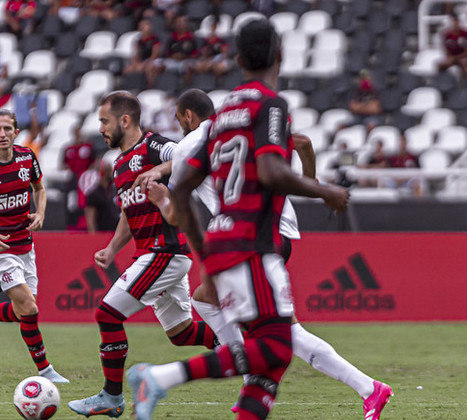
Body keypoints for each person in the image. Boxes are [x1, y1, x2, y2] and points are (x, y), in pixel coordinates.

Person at [125, 19, 355, 420]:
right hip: (254, 243)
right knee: (276, 348)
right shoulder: (270, 105)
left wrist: (204, 254)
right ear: (280, 55)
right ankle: (159, 377)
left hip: (226, 244)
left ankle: (173, 382)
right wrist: (325, 191)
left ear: (235, 59)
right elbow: (271, 172)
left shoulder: (225, 112)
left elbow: (180, 188)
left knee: (270, 365)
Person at [151, 88, 395, 419]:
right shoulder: (238, 126)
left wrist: (161, 198)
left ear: (188, 117)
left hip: (251, 236)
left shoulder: (189, 145)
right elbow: (305, 143)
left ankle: (368, 388)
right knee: (208, 300)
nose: (181, 126)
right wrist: (312, 183)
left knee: (282, 333)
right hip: (278, 230)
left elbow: (177, 213)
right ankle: (253, 377)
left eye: (180, 120)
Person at [67, 91, 218, 418]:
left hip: (164, 251)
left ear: (125, 120)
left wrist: (159, 172)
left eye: (105, 122)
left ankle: (111, 396)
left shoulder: (153, 145)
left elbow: (186, 154)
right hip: (153, 253)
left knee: (107, 314)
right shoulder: (119, 163)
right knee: (182, 334)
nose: (101, 129)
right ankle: (246, 347)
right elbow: (128, 212)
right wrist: (111, 247)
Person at [0, 109, 69, 384]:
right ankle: (45, 371)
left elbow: (39, 190)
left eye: (8, 129)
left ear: (16, 132)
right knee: (29, 309)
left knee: (23, 312)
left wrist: (40, 214)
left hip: (25, 246)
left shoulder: (27, 157)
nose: (2, 134)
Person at [83, 159, 119, 233]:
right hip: (102, 233)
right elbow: (90, 218)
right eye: (109, 171)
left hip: (115, 233)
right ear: (103, 173)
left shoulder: (113, 191)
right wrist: (94, 236)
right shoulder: (93, 194)